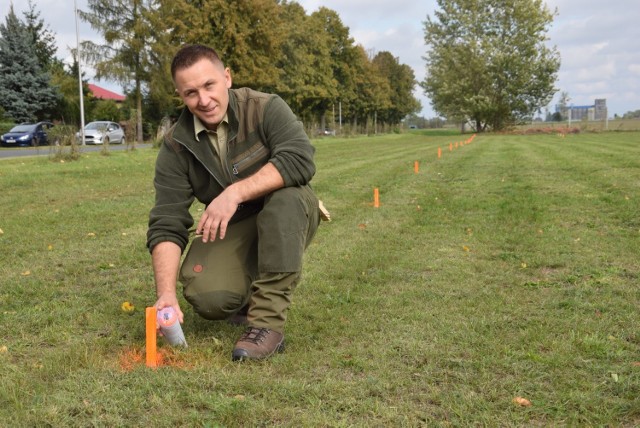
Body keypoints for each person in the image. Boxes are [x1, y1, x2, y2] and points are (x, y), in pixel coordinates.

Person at [146, 44, 321, 361]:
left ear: (226, 77)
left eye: (209, 85)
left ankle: (266, 325)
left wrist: (235, 192)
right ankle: (243, 297)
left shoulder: (266, 107)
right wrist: (166, 294)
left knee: (284, 202)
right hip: (238, 225)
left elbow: (300, 160)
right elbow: (167, 222)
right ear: (180, 96)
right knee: (208, 297)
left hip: (290, 209)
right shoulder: (175, 145)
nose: (203, 100)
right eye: (191, 93)